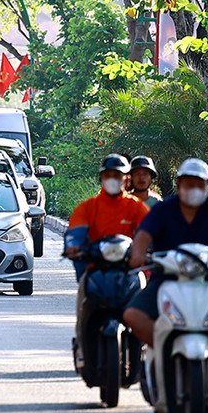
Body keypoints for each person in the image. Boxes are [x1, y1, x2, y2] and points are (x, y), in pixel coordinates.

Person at [123, 158, 208, 350]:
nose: (194, 189)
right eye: (189, 184)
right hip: (166, 279)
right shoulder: (164, 209)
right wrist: (138, 254)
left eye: (200, 184)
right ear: (179, 184)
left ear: (207, 185)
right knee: (133, 315)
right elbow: (144, 235)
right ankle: (163, 350)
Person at [63, 154, 149, 373]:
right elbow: (75, 233)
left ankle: (146, 348)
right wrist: (73, 246)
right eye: (108, 175)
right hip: (95, 270)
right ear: (102, 178)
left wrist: (150, 249)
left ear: (125, 180)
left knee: (145, 300)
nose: (113, 179)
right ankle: (82, 348)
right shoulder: (89, 207)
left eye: (118, 176)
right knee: (84, 302)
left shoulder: (136, 207)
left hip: (129, 271)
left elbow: (149, 233)